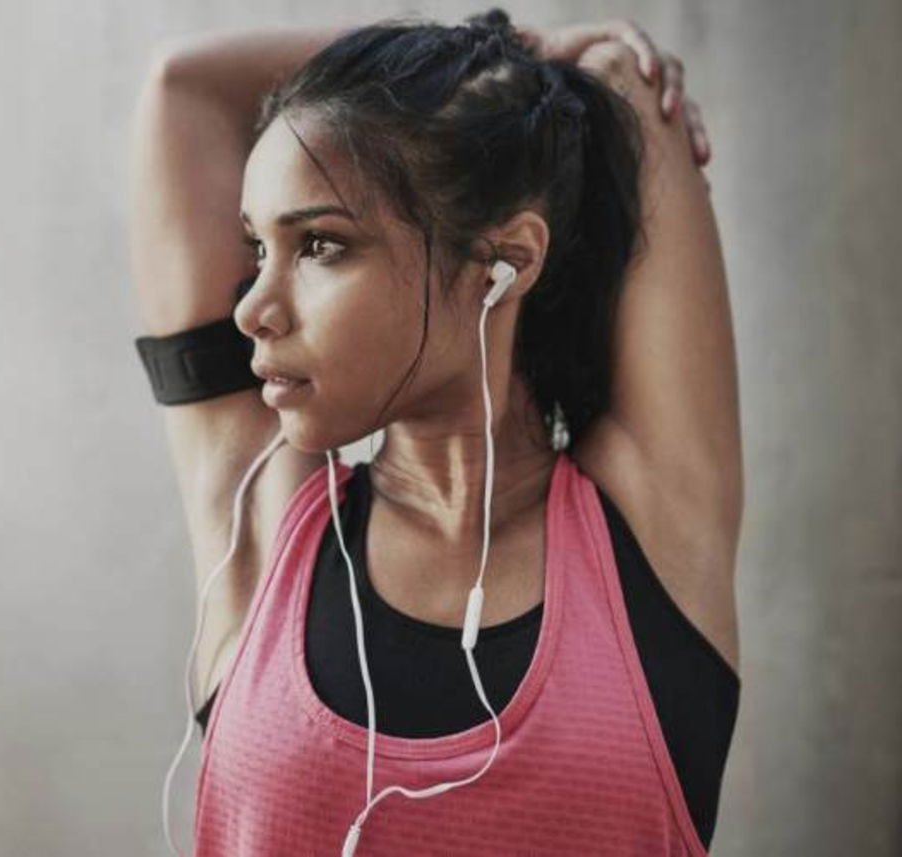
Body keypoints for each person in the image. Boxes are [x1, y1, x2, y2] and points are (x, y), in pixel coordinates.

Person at [130, 8, 741, 856]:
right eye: (254, 249)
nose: (252, 308)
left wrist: (514, 86)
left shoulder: (650, 527)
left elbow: (626, 81)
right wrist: (504, 50)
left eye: (319, 245)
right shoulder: (265, 522)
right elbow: (180, 89)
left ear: (508, 261)